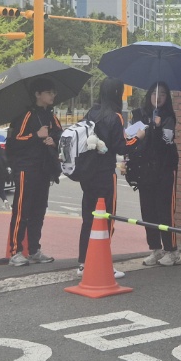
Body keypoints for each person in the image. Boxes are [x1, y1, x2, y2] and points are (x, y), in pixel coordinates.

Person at [75, 78, 130, 277]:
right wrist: (137, 138)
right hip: (105, 173)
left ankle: (83, 263)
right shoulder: (115, 116)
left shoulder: (92, 112)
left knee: (88, 218)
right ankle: (102, 263)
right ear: (117, 93)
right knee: (107, 218)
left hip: (88, 172)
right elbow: (121, 147)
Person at [5, 77, 62, 266]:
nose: (52, 96)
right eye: (49, 92)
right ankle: (15, 251)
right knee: (21, 210)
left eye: (53, 92)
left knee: (39, 210)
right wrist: (36, 135)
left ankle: (34, 250)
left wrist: (53, 141)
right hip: (26, 168)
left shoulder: (52, 116)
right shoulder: (26, 115)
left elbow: (60, 135)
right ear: (38, 94)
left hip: (44, 169)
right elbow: (14, 142)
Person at [131, 81, 180, 267]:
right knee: (148, 210)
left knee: (164, 210)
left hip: (165, 169)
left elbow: (166, 142)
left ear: (167, 98)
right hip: (145, 170)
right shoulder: (140, 115)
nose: (157, 97)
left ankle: (172, 250)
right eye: (154, 93)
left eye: (163, 94)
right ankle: (156, 249)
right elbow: (131, 139)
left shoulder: (168, 117)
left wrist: (157, 127)